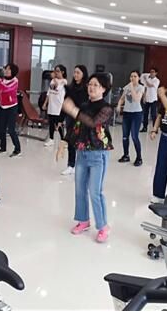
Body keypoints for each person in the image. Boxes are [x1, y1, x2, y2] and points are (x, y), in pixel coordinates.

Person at [60, 73, 114, 243]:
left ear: (104, 89)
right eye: (90, 84)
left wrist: (73, 110)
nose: (91, 87)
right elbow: (76, 127)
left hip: (98, 154)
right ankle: (83, 220)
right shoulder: (84, 105)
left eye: (96, 85)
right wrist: (64, 141)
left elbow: (93, 122)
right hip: (82, 153)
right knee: (80, 189)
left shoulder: (106, 108)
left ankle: (103, 226)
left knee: (95, 192)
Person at [60, 65, 89, 175]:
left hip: (81, 118)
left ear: (83, 74)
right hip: (70, 118)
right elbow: (66, 103)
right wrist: (61, 119)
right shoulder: (70, 87)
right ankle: (70, 165)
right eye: (75, 72)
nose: (75, 75)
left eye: (78, 73)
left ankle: (82, 165)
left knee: (82, 142)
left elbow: (84, 104)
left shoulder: (86, 88)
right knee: (71, 142)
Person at [0, 63, 21, 157]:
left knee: (11, 130)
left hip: (12, 107)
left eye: (8, 69)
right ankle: (3, 148)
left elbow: (5, 89)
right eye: (6, 69)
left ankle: (17, 149)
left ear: (13, 71)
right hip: (3, 107)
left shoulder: (15, 81)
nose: (6, 71)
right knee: (2, 129)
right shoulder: (3, 80)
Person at [117, 70, 145, 166]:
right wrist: (119, 105)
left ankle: (139, 158)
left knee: (134, 136)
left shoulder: (141, 87)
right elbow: (122, 98)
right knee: (125, 136)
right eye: (131, 76)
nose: (132, 78)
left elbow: (137, 99)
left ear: (139, 78)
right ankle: (126, 155)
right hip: (127, 114)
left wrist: (132, 87)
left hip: (136, 114)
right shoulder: (127, 87)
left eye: (135, 76)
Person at [42, 65, 67, 147]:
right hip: (51, 106)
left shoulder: (64, 81)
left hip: (59, 106)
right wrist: (45, 103)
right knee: (51, 123)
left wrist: (55, 79)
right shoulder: (52, 81)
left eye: (58, 71)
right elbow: (49, 93)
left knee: (59, 124)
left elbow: (58, 88)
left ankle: (63, 140)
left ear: (62, 72)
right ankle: (51, 139)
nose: (56, 73)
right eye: (55, 71)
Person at [140, 68, 160, 132]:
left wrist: (145, 79)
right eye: (150, 72)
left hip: (153, 99)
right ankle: (145, 127)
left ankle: (155, 128)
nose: (151, 73)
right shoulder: (148, 79)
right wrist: (144, 97)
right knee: (145, 114)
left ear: (156, 73)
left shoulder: (157, 80)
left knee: (153, 114)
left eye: (153, 72)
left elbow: (150, 85)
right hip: (147, 99)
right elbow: (145, 88)